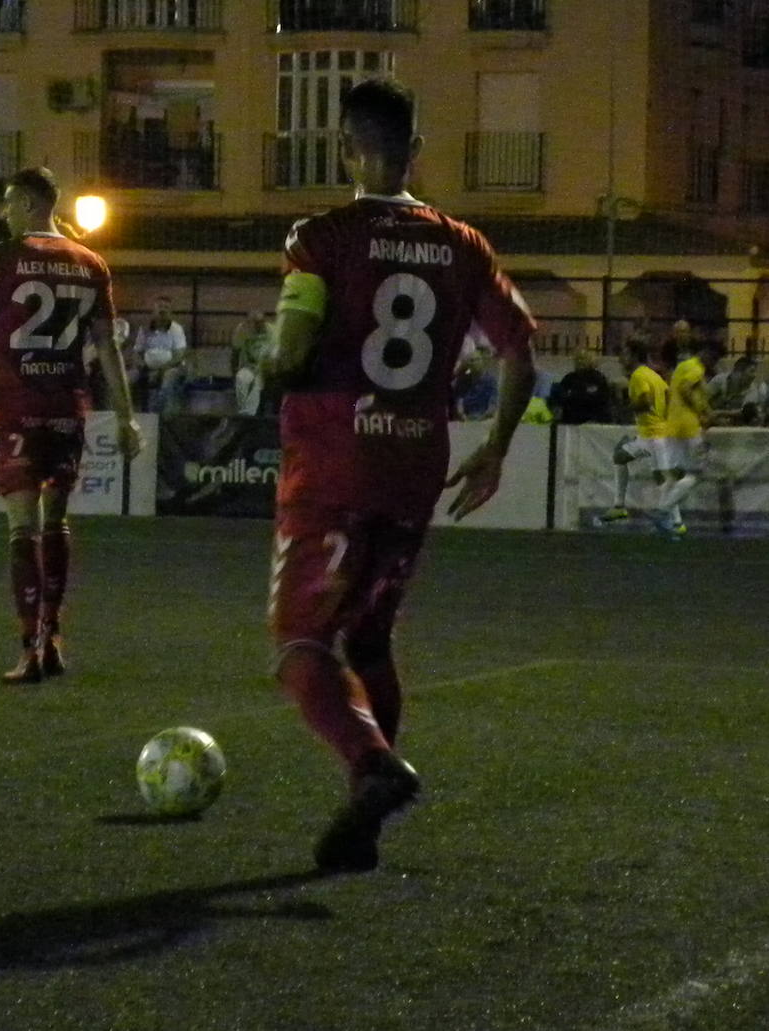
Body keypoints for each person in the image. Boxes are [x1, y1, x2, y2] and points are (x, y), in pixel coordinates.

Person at [262, 78, 536, 874]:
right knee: (370, 635)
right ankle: (365, 810)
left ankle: (371, 766)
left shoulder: (319, 238)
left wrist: (272, 359)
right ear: (415, 150)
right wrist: (496, 447)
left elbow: (290, 348)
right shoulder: (462, 243)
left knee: (302, 640)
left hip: (334, 460)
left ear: (345, 147)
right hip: (417, 459)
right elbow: (519, 353)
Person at [0, 166, 142, 683]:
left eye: (10, 202)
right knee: (55, 522)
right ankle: (52, 638)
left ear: (33, 203)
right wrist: (125, 416)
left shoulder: (0, 259)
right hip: (66, 409)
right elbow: (107, 345)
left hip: (15, 406)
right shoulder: (91, 262)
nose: (3, 212)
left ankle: (29, 646)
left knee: (21, 526)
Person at [598, 339, 673, 526]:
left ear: (632, 355)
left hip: (653, 435)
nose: (620, 358)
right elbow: (667, 398)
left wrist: (624, 405)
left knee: (662, 478)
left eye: (624, 354)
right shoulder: (654, 375)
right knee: (620, 456)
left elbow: (645, 402)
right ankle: (619, 506)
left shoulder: (639, 376)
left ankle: (672, 518)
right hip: (654, 434)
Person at [656, 337, 720, 537]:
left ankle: (667, 519)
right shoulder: (696, 368)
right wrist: (702, 411)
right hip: (689, 426)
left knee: (674, 475)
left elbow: (679, 392)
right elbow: (686, 390)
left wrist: (708, 410)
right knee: (696, 473)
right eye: (714, 360)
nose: (713, 365)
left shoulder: (682, 366)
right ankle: (664, 509)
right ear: (707, 355)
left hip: (673, 426)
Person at [133, 297, 188, 414]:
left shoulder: (177, 329)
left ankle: (159, 416)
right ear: (153, 310)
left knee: (167, 380)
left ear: (171, 312)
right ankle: (134, 415)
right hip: (147, 368)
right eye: (159, 307)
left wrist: (161, 370)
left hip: (171, 368)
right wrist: (143, 367)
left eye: (166, 308)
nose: (162, 310)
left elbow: (179, 356)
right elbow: (137, 352)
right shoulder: (144, 329)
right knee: (128, 379)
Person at [550, 347, 613, 424]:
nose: (579, 361)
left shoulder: (598, 378)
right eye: (577, 359)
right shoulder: (569, 378)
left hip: (593, 421)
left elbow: (602, 401)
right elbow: (561, 398)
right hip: (571, 421)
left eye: (583, 359)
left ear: (590, 361)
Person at [232, 310, 274, 415]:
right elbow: (235, 353)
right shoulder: (242, 331)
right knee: (241, 378)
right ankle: (242, 411)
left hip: (266, 369)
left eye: (259, 322)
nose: (257, 325)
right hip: (249, 367)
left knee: (258, 384)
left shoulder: (273, 332)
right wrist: (234, 373)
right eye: (254, 322)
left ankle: (249, 414)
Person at [707, 354, 767, 425]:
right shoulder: (719, 380)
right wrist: (710, 416)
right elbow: (703, 399)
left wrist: (719, 413)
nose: (754, 375)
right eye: (752, 371)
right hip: (707, 417)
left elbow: (744, 412)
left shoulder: (753, 390)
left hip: (729, 424)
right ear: (739, 371)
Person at [452, 347, 499, 420]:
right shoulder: (464, 379)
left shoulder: (490, 381)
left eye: (477, 360)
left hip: (484, 419)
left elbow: (493, 403)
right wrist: (461, 414)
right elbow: (459, 400)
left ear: (482, 361)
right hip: (465, 418)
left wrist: (484, 417)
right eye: (471, 361)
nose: (474, 363)